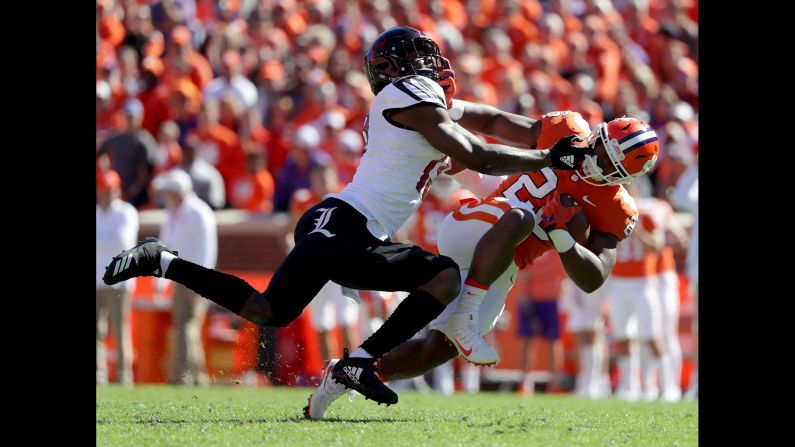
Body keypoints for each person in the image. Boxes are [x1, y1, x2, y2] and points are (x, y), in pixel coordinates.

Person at [103, 26, 586, 407]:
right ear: (400, 67)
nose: (433, 64)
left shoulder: (423, 101)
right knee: (274, 311)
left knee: (435, 279)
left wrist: (561, 138)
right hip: (341, 221)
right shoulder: (406, 95)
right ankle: (162, 261)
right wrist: (549, 160)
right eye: (422, 56)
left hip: (362, 233)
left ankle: (356, 362)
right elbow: (476, 153)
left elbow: (500, 123)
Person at [306, 109, 659, 418]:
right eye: (600, 145)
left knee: (440, 349)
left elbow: (594, 276)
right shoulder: (567, 130)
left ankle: (349, 373)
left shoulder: (616, 207)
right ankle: (464, 316)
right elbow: (495, 120)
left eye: (609, 161)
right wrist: (447, 109)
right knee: (520, 217)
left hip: (503, 264)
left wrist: (561, 236)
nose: (595, 157)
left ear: (623, 176)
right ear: (598, 134)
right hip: (478, 224)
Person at [153, 169, 218, 386]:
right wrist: (159, 282)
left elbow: (207, 250)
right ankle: (183, 376)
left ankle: (195, 376)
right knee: (181, 328)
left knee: (188, 327)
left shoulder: (199, 213)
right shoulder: (172, 214)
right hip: (179, 279)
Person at [96, 169, 139, 385]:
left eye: (110, 189)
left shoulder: (126, 212)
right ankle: (99, 375)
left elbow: (122, 243)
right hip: (97, 280)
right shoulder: (97, 213)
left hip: (119, 281)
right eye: (103, 189)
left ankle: (124, 376)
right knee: (97, 331)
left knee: (120, 330)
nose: (106, 194)